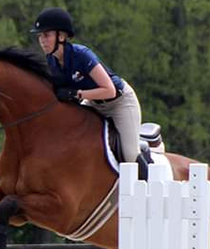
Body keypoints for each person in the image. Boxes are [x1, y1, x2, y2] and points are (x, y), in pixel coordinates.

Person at [31, 7, 145, 165]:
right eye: (40, 36)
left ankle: (145, 177)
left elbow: (109, 90)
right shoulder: (52, 60)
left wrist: (75, 94)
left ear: (61, 36)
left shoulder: (82, 55)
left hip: (120, 102)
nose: (42, 40)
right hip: (93, 103)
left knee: (130, 156)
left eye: (46, 35)